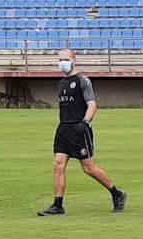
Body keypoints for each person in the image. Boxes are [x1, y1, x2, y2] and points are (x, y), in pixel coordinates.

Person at [37, 49, 127, 217]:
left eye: (66, 59)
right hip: (63, 129)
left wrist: (85, 122)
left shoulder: (83, 81)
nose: (62, 62)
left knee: (89, 168)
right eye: (60, 59)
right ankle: (58, 205)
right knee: (58, 165)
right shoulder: (62, 83)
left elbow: (92, 104)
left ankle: (117, 193)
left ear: (74, 60)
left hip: (79, 129)